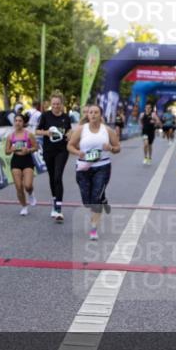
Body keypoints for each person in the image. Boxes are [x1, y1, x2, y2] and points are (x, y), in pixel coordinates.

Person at [68, 104, 121, 240]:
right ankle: (103, 199)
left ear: (100, 115)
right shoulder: (81, 129)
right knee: (87, 201)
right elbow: (70, 145)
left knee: (95, 199)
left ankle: (93, 228)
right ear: (88, 115)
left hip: (102, 167)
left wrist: (110, 148)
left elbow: (117, 148)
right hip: (83, 167)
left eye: (96, 112)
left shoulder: (107, 130)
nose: (93, 114)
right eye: (90, 112)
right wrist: (78, 152)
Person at [35, 92, 73, 222]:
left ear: (62, 104)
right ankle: (54, 199)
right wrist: (47, 132)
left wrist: (69, 134)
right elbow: (37, 131)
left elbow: (69, 130)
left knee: (58, 176)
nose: (56, 106)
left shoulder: (66, 117)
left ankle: (58, 208)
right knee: (52, 177)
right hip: (48, 151)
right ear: (51, 105)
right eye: (53, 104)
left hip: (62, 150)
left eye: (58, 104)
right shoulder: (45, 116)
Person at [6, 112, 38, 215]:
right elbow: (6, 151)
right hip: (16, 161)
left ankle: (30, 193)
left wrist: (28, 150)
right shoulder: (10, 136)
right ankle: (24, 206)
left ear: (23, 123)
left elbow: (36, 147)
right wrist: (12, 149)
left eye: (20, 121)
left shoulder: (29, 134)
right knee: (19, 186)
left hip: (27, 160)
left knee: (27, 185)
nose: (18, 123)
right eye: (16, 121)